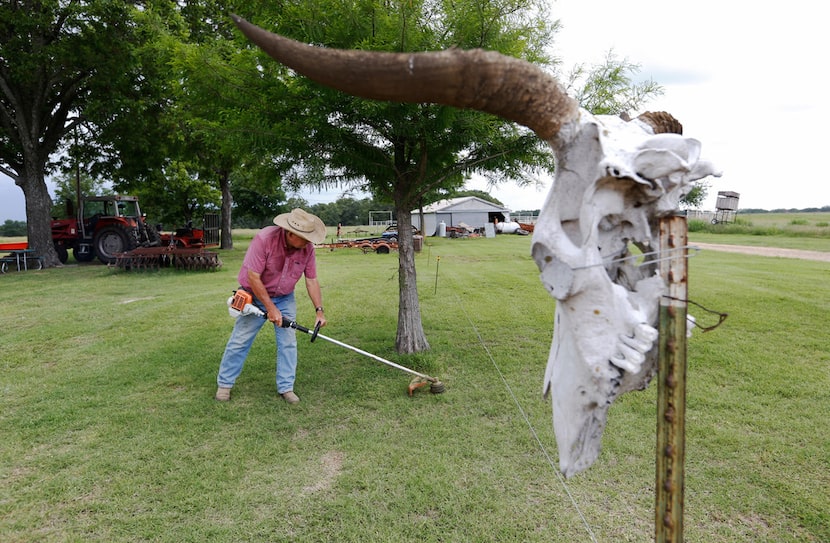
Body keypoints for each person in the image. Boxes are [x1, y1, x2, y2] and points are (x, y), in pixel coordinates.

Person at [215, 208, 327, 404]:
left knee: (288, 342)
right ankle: (224, 385)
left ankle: (286, 387)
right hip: (253, 294)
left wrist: (319, 310)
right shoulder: (264, 239)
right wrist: (270, 308)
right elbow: (253, 277)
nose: (308, 242)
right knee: (240, 340)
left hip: (284, 297)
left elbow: (311, 280)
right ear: (291, 234)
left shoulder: (307, 249)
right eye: (305, 238)